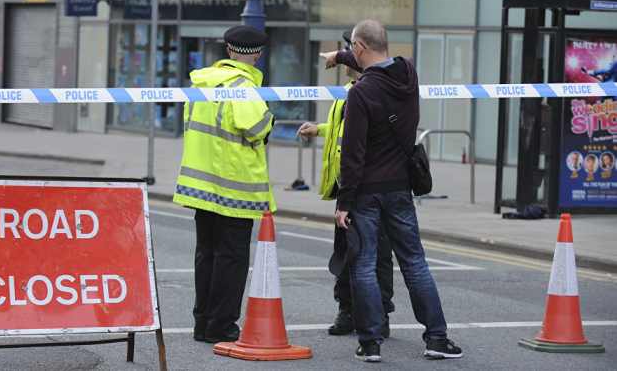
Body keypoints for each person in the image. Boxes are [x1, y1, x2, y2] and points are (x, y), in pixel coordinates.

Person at [323, 19, 462, 362]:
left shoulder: (360, 93)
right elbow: (371, 60)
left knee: (365, 265)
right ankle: (437, 338)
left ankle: (370, 344)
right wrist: (342, 55)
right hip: (401, 188)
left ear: (359, 48)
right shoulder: (408, 74)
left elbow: (353, 155)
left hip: (367, 191)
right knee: (415, 263)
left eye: (353, 49)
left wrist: (344, 203)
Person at [173, 25, 276, 344]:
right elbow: (257, 127)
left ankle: (202, 323)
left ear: (228, 51)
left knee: (206, 253)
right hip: (234, 189)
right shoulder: (243, 86)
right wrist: (271, 118)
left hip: (201, 186)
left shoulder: (202, 80)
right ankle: (220, 326)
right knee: (230, 258)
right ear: (256, 56)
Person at [297, 31, 395, 338]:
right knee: (345, 251)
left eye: (348, 50)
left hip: (372, 184)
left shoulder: (377, 85)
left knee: (376, 253)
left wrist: (338, 56)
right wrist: (320, 129)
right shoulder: (350, 89)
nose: (346, 56)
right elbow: (346, 129)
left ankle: (379, 315)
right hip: (347, 183)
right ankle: (348, 310)